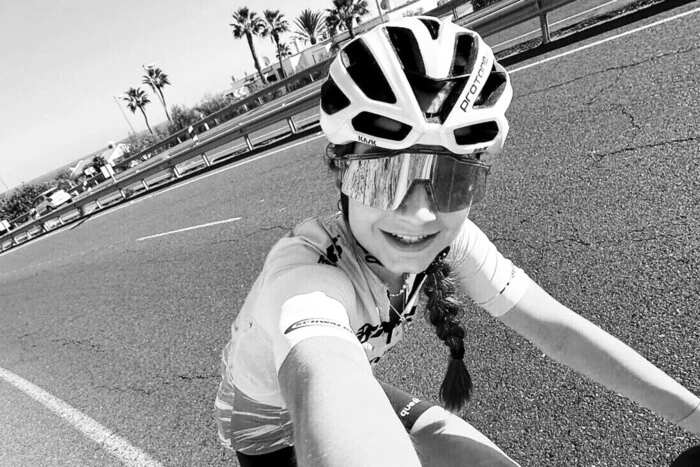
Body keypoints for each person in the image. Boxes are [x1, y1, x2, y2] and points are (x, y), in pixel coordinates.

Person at [214, 16, 700, 466]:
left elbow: (558, 330)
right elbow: (324, 371)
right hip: (270, 436)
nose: (421, 213)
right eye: (385, 176)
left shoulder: (452, 239)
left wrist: (693, 415)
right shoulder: (304, 277)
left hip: (358, 386)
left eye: (453, 181)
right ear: (340, 172)